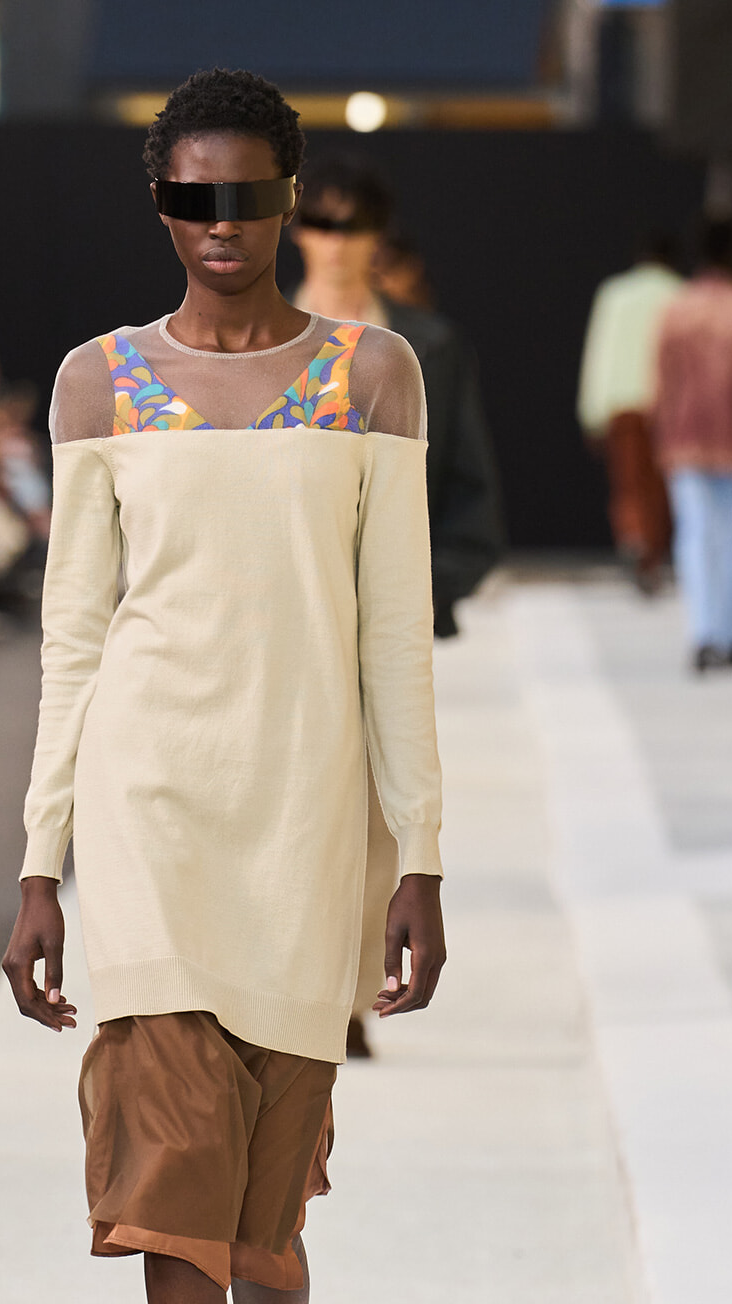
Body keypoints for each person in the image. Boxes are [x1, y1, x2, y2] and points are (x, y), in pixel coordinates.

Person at [2, 67, 446, 1304]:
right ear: (160, 208)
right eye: (191, 201)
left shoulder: (371, 378)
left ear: (292, 201)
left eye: (249, 199)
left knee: (267, 1222)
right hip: (146, 816)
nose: (221, 230)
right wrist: (41, 858)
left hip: (303, 824)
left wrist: (422, 852)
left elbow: (392, 636)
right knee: (174, 1210)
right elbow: (74, 639)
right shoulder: (100, 385)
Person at [288, 155, 498, 1054]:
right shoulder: (241, 340)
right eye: (323, 222)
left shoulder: (426, 350)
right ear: (299, 228)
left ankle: (341, 993)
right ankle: (295, 986)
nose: (337, 242)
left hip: (378, 617)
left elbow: (468, 490)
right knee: (284, 802)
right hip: (273, 610)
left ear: (379, 237)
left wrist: (420, 592)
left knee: (374, 810)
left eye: (353, 224)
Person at [652, 217, 732, 672]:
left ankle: (702, 633)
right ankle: (729, 632)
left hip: (685, 437)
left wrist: (661, 432)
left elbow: (661, 381)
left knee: (695, 535)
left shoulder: (677, 308)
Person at [577, 230, 683, 590]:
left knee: (628, 483)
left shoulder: (615, 294)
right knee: (660, 486)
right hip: (668, 405)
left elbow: (600, 353)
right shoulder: (679, 294)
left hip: (623, 403)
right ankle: (652, 553)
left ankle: (635, 539)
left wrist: (591, 411)